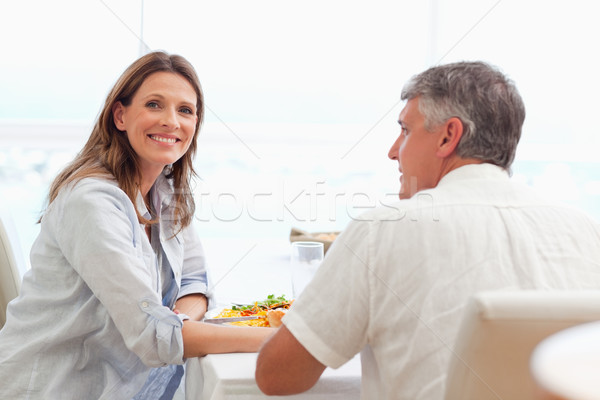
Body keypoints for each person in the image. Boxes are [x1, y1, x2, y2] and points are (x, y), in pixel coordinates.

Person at [255, 61, 600, 399]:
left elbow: (276, 376)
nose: (393, 152)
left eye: (405, 130)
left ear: (449, 136)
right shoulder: (586, 232)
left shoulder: (382, 230)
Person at [0, 51, 273, 399]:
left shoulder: (166, 189)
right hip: (58, 388)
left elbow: (194, 283)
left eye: (185, 110)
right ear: (120, 116)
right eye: (155, 105)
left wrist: (175, 321)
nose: (171, 121)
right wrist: (279, 337)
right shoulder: (92, 201)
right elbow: (151, 335)